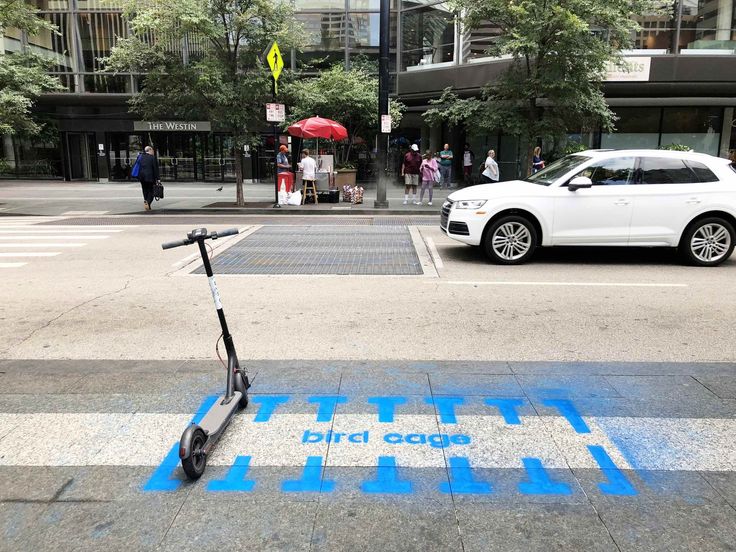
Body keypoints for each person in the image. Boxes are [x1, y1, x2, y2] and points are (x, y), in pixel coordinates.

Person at [138, 145, 160, 211]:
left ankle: (146, 203)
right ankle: (147, 201)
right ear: (150, 150)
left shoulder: (140, 157)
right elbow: (155, 169)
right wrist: (158, 178)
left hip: (142, 177)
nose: (153, 151)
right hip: (150, 177)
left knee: (145, 190)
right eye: (152, 150)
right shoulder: (152, 158)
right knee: (151, 191)